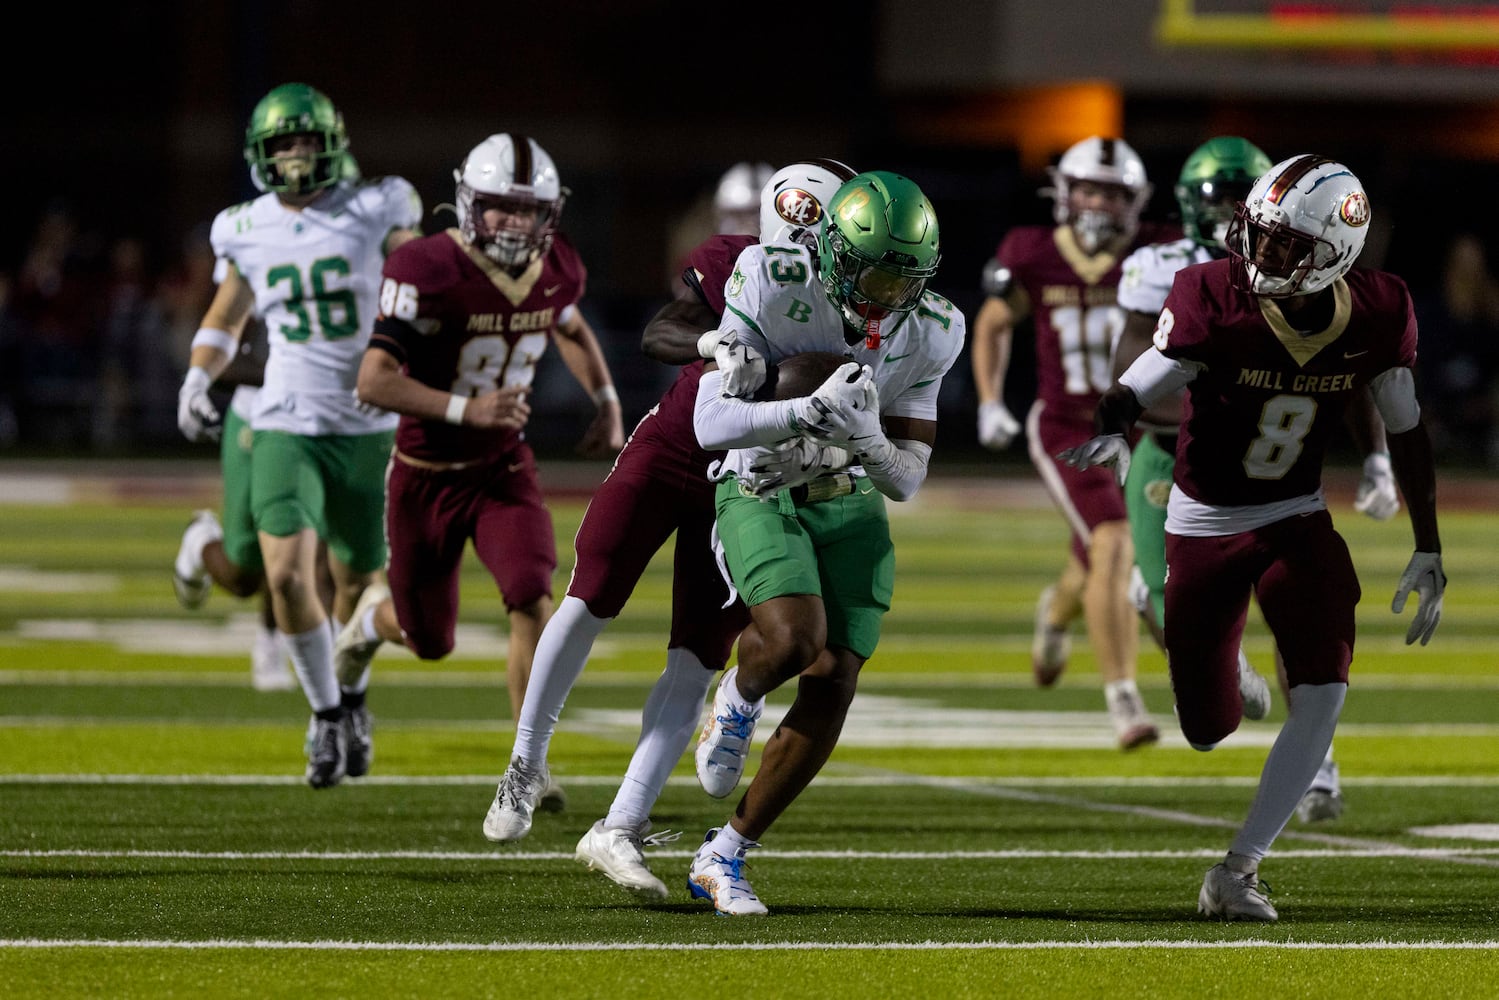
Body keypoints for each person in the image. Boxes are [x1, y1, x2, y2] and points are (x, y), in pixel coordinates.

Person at [1062, 154, 1444, 921]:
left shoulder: (1376, 310)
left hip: (1293, 516)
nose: (1261, 256)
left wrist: (1427, 542)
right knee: (1208, 732)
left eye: (1282, 246)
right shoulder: (1212, 294)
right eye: (1258, 236)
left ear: (1333, 253)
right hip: (1201, 524)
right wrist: (1113, 419)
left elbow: (1406, 428)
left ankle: (1236, 871)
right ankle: (1226, 672)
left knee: (1324, 692)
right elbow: (1149, 373)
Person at [479, 160, 856, 902]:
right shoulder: (733, 261)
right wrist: (715, 343)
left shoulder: (857, 297)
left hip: (744, 482)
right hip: (673, 451)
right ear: (806, 219)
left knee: (694, 659)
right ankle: (525, 763)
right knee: (589, 598)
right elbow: (662, 330)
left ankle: (618, 826)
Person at [687, 170, 963, 915]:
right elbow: (709, 427)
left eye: (903, 277)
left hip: (851, 498)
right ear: (831, 249)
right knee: (792, 641)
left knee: (835, 673)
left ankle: (725, 854)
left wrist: (864, 434)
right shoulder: (772, 278)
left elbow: (905, 479)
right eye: (873, 269)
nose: (886, 292)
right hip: (761, 486)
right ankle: (738, 698)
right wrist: (805, 408)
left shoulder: (935, 324)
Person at [1114, 137, 1402, 822]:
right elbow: (1130, 372)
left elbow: (1356, 373)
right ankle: (1203, 651)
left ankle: (1316, 757)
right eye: (1216, 198)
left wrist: (1377, 457)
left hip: (1278, 484)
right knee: (1178, 634)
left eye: (1232, 195)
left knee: (1301, 612)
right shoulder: (1171, 273)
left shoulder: (1326, 287)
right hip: (1172, 459)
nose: (1230, 217)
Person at [347, 132, 624, 811]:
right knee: (426, 639)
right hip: (424, 474)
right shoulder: (425, 267)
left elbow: (567, 323)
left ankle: (527, 766)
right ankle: (363, 626)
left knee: (533, 597)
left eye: (529, 211)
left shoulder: (556, 264)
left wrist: (607, 399)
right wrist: (466, 409)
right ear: (470, 204)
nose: (515, 224)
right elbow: (372, 381)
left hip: (502, 468)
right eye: (501, 208)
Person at [174, 82, 423, 788]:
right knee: (283, 573)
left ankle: (351, 697)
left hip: (367, 425)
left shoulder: (376, 207)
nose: (292, 156)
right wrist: (198, 375)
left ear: (330, 145)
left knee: (355, 581)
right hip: (283, 417)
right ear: (259, 152)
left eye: (305, 142)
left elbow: (420, 271)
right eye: (281, 144)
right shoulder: (243, 227)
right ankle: (323, 714)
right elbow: (228, 310)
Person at [971, 136, 1178, 749]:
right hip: (1067, 426)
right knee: (1116, 544)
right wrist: (987, 402)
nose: (1101, 203)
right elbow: (991, 324)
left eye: (1114, 193)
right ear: (1064, 192)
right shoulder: (1031, 251)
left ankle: (1056, 612)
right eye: (1090, 188)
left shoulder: (1157, 253)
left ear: (1135, 201)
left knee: (1097, 552)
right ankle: (1124, 701)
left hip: (1139, 426)